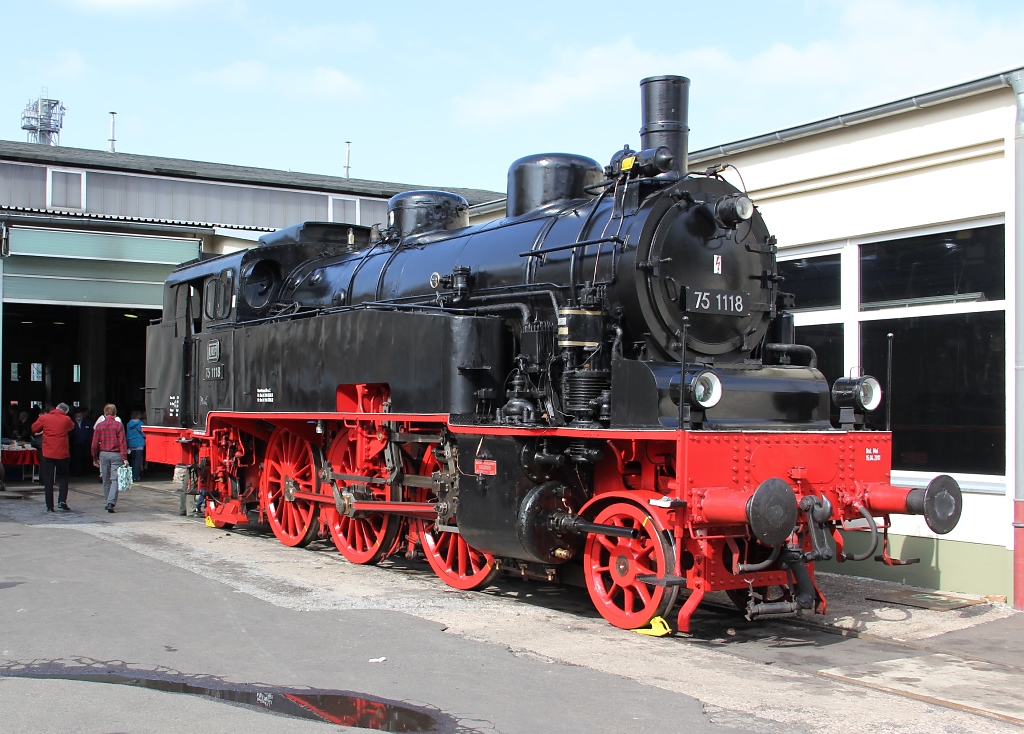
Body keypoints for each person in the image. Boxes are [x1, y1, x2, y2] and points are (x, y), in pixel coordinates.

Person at [31, 402, 75, 512]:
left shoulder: (45, 417)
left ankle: (49, 505)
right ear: (65, 411)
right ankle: (62, 501)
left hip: (48, 452)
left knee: (48, 479)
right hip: (62, 453)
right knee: (63, 477)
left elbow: (34, 428)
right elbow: (71, 427)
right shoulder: (66, 419)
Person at [92, 403, 128, 513]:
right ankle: (111, 502)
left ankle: (107, 500)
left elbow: (94, 444)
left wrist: (94, 458)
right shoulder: (119, 425)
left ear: (104, 413)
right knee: (115, 479)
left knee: (105, 479)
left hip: (103, 454)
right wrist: (124, 457)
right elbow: (122, 443)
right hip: (116, 454)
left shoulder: (99, 426)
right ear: (115, 413)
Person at [69, 409, 94, 476]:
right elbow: (70, 433)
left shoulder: (88, 422)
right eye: (77, 413)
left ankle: (88, 472)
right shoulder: (71, 422)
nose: (78, 415)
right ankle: (78, 472)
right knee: (77, 458)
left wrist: (89, 441)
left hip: (86, 444)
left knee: (87, 458)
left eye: (80, 413)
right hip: (76, 444)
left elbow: (92, 432)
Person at [126, 410, 146, 481]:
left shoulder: (128, 424)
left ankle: (131, 476)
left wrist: (127, 443)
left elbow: (127, 435)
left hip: (131, 444)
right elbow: (144, 434)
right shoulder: (141, 423)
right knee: (138, 461)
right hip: (139, 444)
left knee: (133, 461)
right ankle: (136, 476)